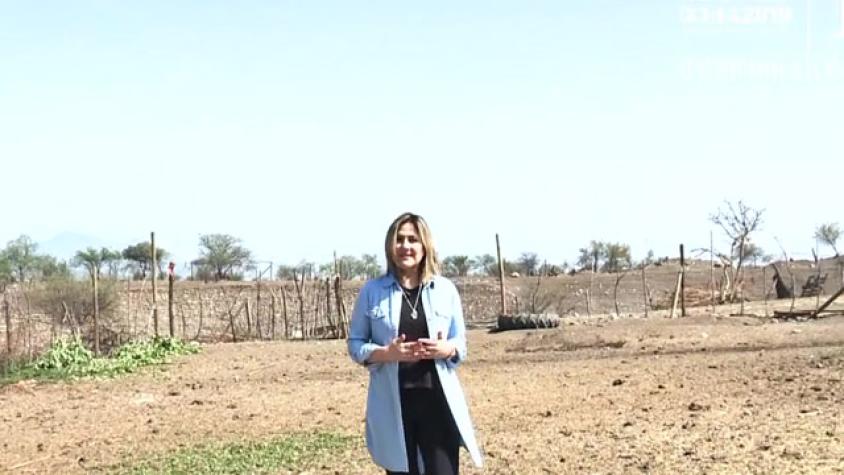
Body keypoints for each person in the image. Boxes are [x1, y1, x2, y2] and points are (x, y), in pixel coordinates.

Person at [347, 212, 483, 475]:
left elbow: (461, 343)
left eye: (412, 239)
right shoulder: (372, 292)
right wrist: (386, 353)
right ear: (390, 246)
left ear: (425, 246)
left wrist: (448, 349)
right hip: (393, 404)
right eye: (399, 239)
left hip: (438, 403)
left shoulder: (445, 290)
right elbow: (355, 344)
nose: (405, 246)